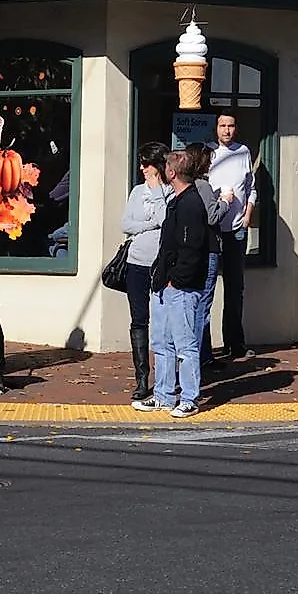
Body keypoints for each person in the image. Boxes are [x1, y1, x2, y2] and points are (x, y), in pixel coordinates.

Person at [147, 147, 216, 417]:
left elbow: (191, 248)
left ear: (173, 172)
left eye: (166, 167)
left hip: (183, 287)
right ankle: (163, 395)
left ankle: (189, 397)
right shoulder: (176, 200)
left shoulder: (191, 203)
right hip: (164, 284)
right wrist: (160, 276)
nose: (164, 170)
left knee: (185, 345)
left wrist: (177, 280)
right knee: (162, 343)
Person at [205, 112, 258, 361]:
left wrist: (247, 215)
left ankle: (234, 343)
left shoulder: (243, 152)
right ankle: (205, 349)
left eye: (231, 126)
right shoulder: (207, 153)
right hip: (213, 230)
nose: (226, 130)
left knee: (235, 288)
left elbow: (251, 188)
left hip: (237, 228)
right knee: (206, 288)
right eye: (222, 125)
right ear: (216, 128)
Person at [121, 143, 170, 410]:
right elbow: (125, 224)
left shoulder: (169, 192)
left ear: (158, 166)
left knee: (164, 324)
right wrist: (149, 225)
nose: (142, 169)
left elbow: (166, 220)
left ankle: (166, 378)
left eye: (146, 164)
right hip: (136, 262)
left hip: (161, 264)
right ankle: (142, 378)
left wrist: (157, 192)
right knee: (139, 320)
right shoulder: (137, 191)